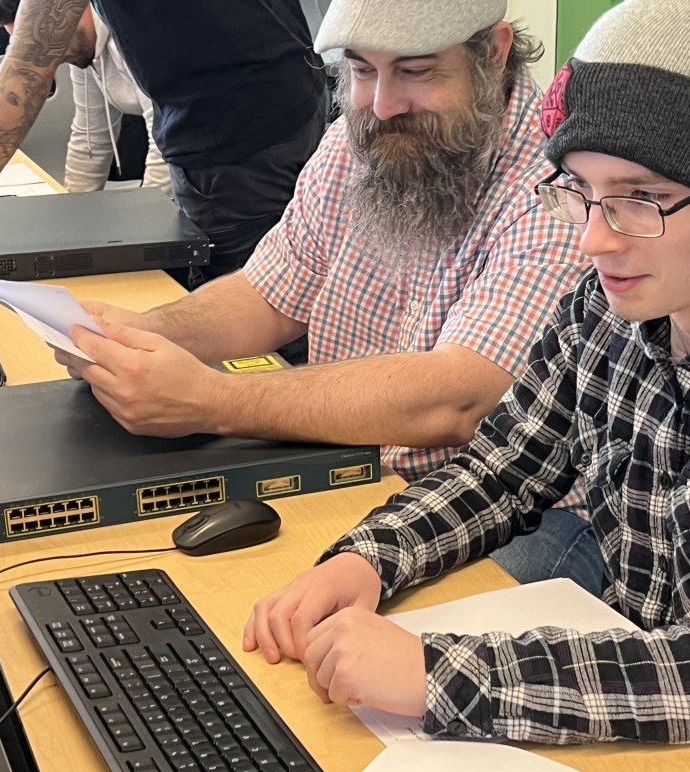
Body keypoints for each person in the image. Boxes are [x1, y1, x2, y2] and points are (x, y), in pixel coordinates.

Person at [245, 0, 690, 759]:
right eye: (579, 190)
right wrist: (370, 556)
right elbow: (506, 469)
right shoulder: (604, 312)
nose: (593, 237)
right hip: (640, 732)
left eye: (640, 199)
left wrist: (441, 674)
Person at [54, 0, 595, 589]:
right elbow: (269, 292)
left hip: (516, 508)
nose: (384, 105)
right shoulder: (358, 135)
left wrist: (210, 399)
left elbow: (460, 401)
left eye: (416, 71)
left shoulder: (562, 188)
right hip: (360, 464)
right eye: (362, 70)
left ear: (493, 53)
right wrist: (141, 333)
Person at [0, 0, 327, 284]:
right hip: (293, 92)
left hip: (231, 130)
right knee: (292, 276)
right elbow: (87, 137)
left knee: (247, 297)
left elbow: (28, 62)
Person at [0, 0, 170, 194]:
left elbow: (166, 144)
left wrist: (149, 214)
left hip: (197, 154)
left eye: (44, 46)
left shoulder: (138, 34)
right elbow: (90, 139)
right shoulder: (82, 49)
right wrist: (73, 206)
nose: (52, 60)